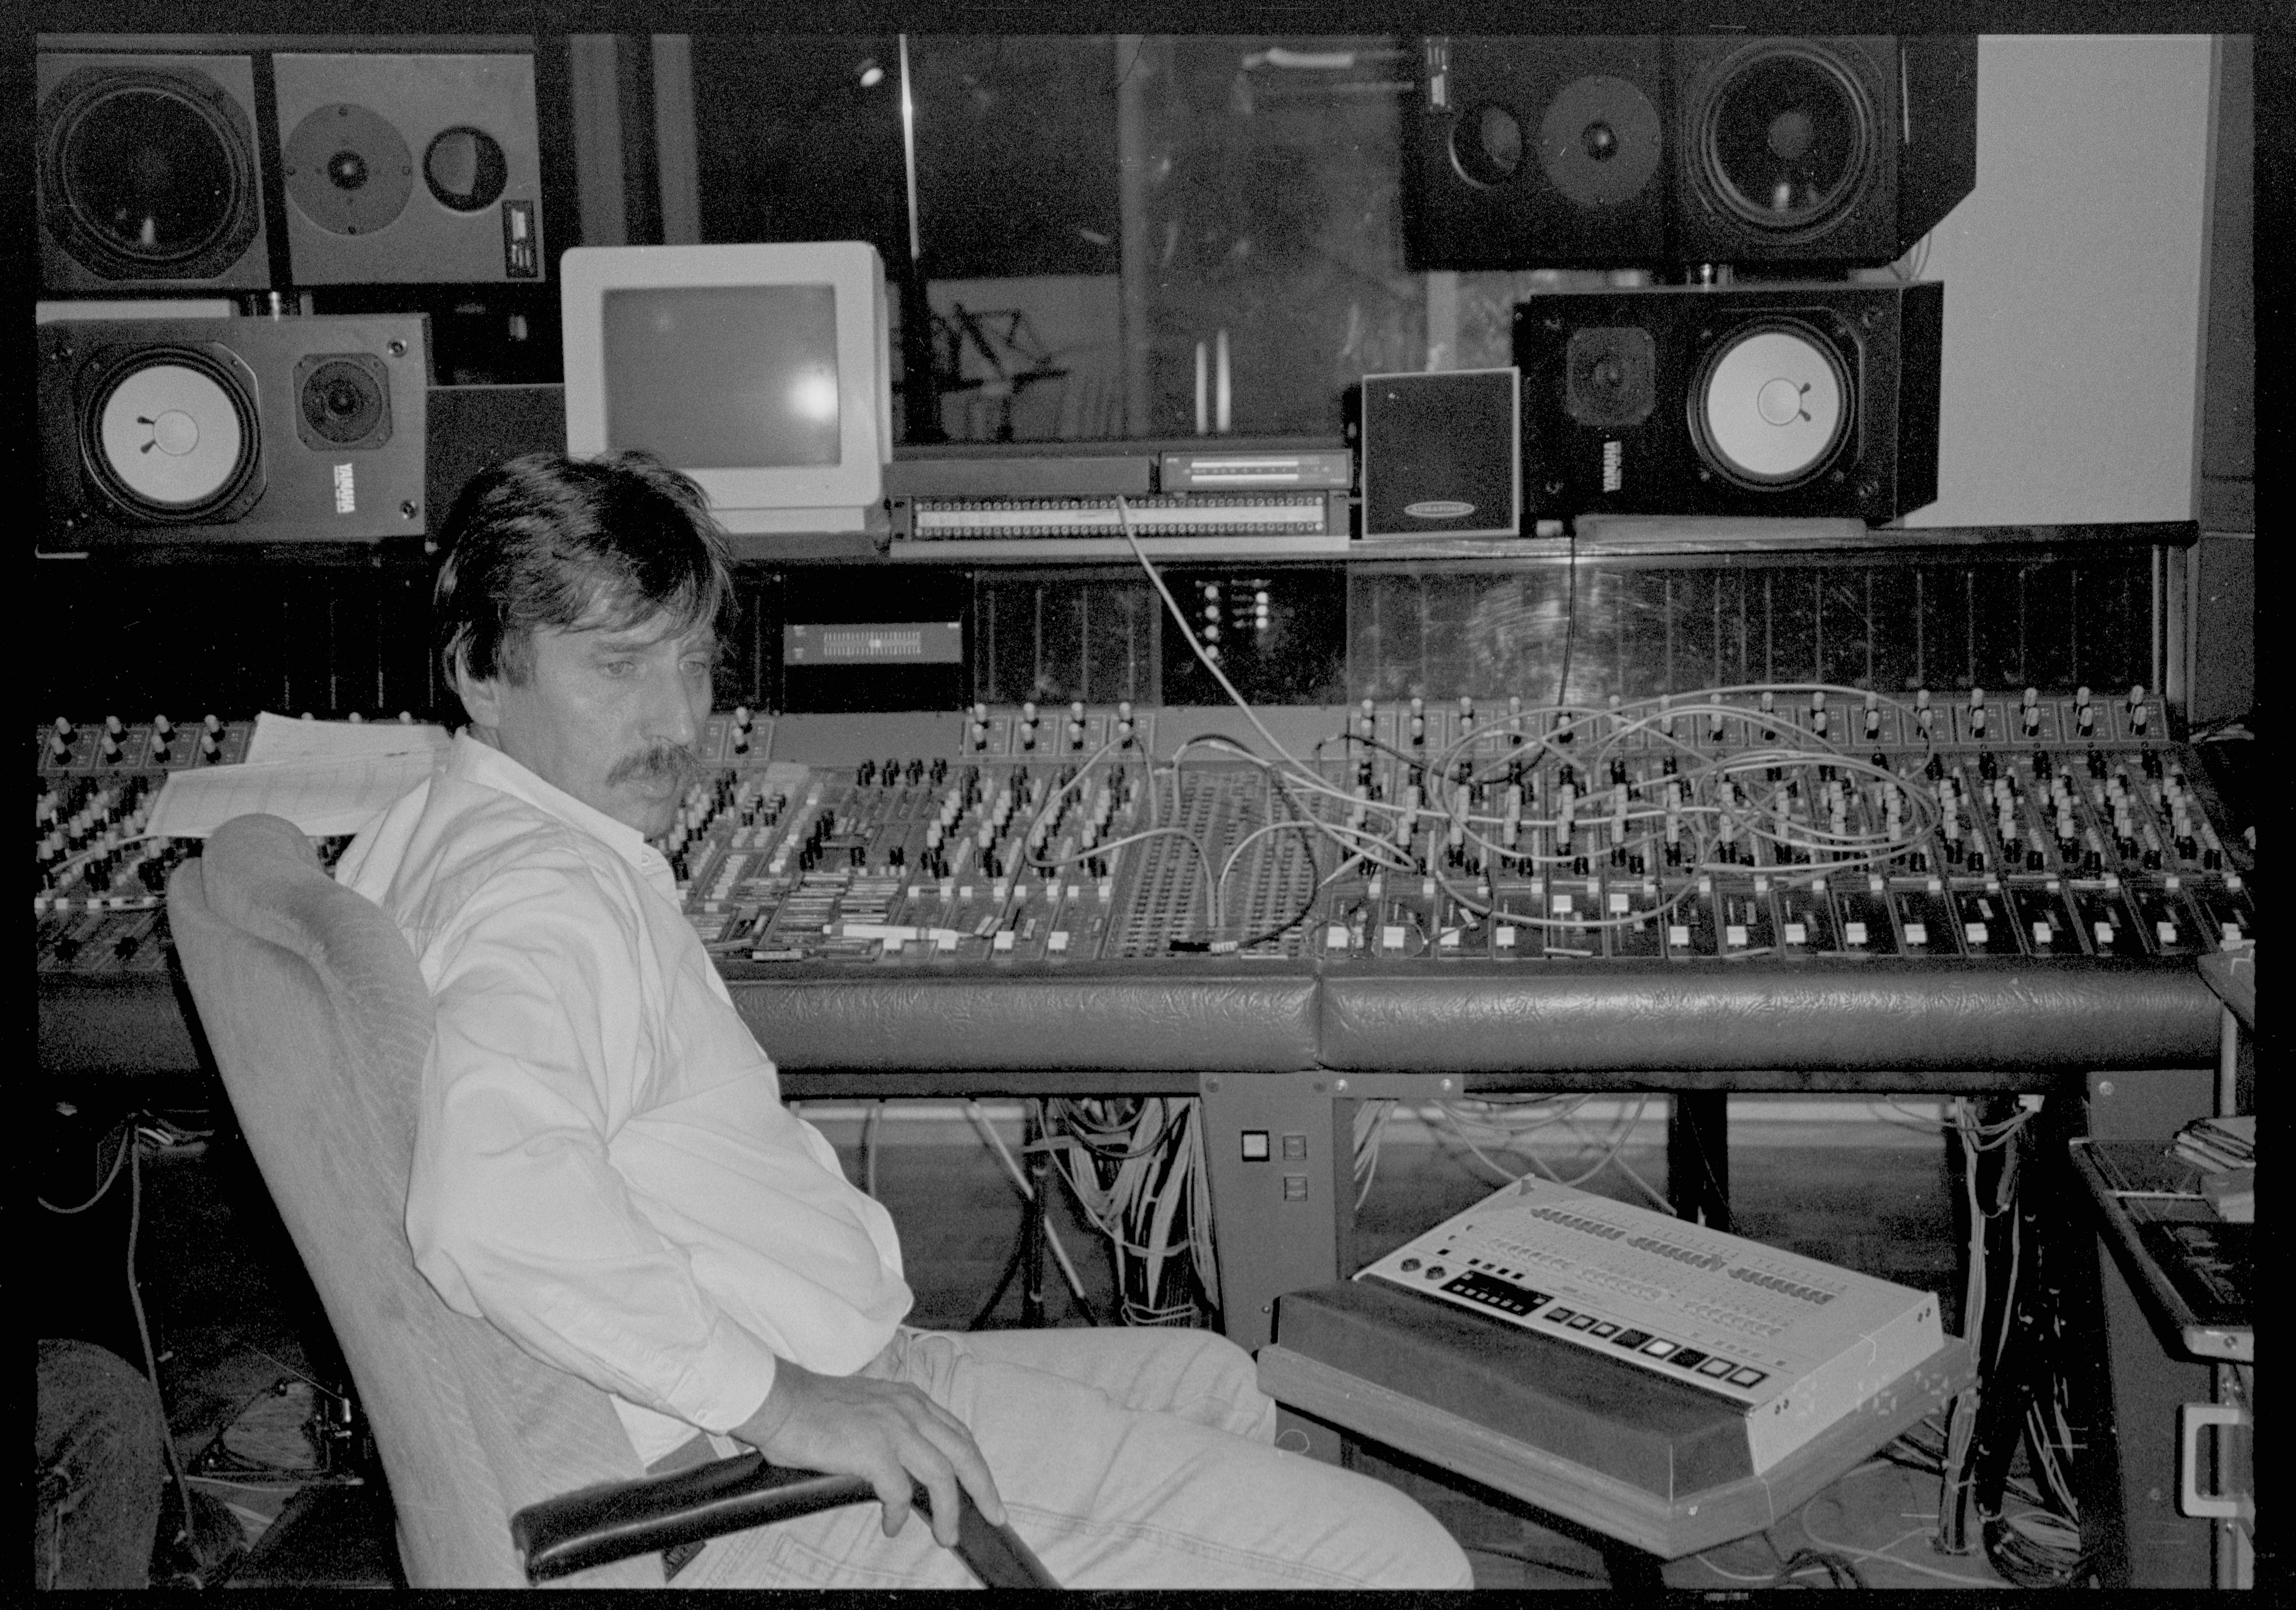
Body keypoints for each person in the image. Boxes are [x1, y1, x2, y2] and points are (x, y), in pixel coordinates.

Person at [335, 452, 1472, 1590]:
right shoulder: (543, 898)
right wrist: (787, 1406)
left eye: (693, 664)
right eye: (618, 666)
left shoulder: (431, 831)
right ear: (480, 671)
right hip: (742, 1472)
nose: (677, 718)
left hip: (777, 1376)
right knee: (1403, 1562)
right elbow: (491, 1205)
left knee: (1215, 1385)